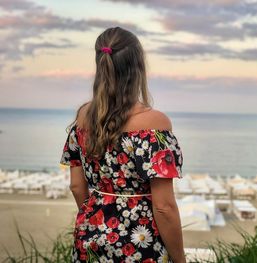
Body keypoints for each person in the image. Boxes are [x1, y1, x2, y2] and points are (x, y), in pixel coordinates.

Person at [60, 27, 186, 263]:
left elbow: (77, 187)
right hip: (140, 245)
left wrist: (96, 223)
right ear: (138, 68)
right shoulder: (155, 124)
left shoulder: (83, 117)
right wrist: (180, 260)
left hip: (91, 240)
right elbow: (164, 207)